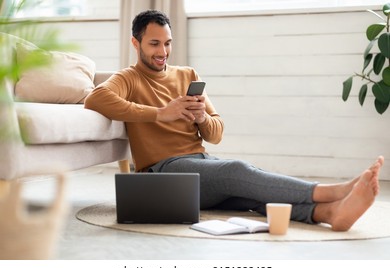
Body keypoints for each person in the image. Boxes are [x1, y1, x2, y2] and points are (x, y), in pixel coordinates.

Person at [85, 9, 385, 232]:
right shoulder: (129, 77)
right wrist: (160, 113)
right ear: (136, 44)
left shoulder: (187, 74)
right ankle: (329, 191)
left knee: (250, 194)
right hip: (163, 171)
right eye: (153, 44)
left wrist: (202, 118)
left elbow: (216, 134)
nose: (162, 51)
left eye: (167, 43)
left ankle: (326, 214)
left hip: (201, 161)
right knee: (238, 170)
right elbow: (95, 99)